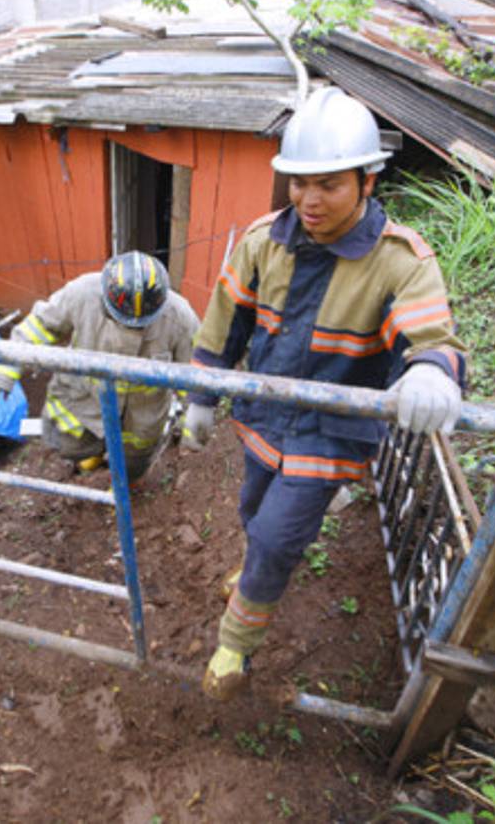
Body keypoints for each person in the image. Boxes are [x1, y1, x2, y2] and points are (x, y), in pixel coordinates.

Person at [181, 86, 466, 701]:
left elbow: (431, 336)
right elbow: (225, 318)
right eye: (298, 183)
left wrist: (431, 372)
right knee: (254, 514)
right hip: (264, 418)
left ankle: (236, 645)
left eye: (329, 184)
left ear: (366, 181)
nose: (309, 200)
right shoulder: (264, 241)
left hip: (333, 432)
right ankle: (253, 565)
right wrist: (203, 391)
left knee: (280, 538)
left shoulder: (402, 261)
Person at [0, 250, 199, 482]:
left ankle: (126, 485)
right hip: (85, 400)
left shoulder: (180, 318)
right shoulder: (83, 294)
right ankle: (93, 455)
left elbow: (194, 375)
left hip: (141, 418)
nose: (132, 327)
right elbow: (40, 326)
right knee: (67, 444)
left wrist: (193, 424)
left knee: (134, 464)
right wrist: (4, 371)